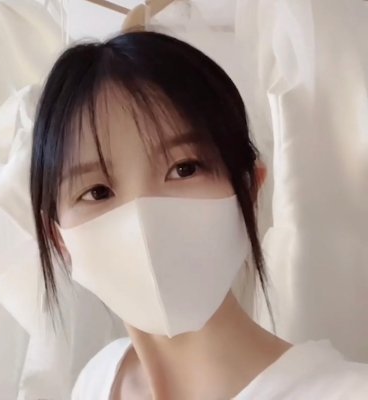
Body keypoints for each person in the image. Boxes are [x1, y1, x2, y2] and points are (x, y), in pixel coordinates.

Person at [30, 31, 368, 399]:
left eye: (184, 168)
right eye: (97, 192)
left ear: (249, 190)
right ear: (58, 238)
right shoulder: (96, 380)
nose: (144, 222)